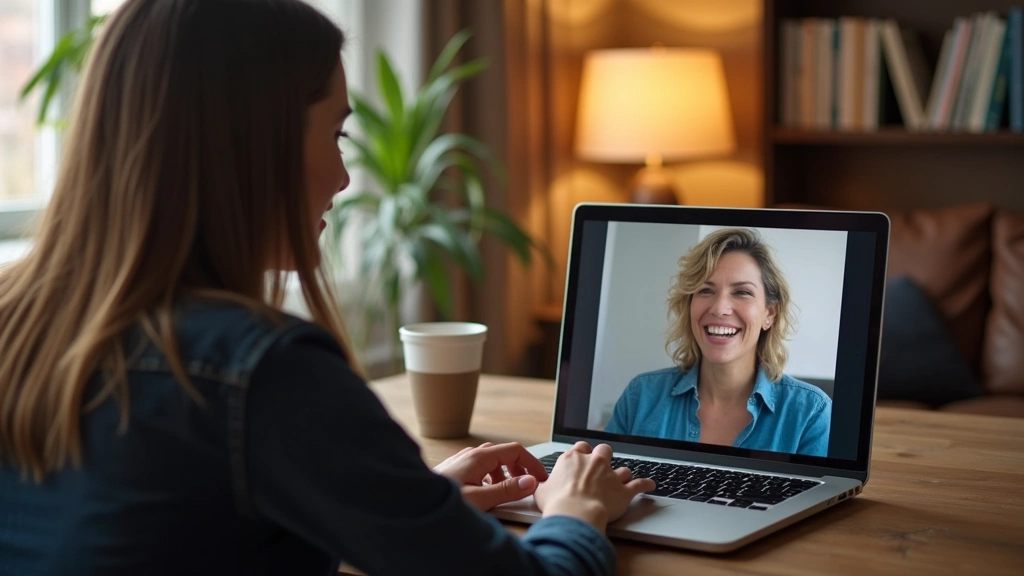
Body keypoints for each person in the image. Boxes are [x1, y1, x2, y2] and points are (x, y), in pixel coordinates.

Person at [0, 1, 655, 574]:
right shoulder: (265, 370)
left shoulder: (18, 320)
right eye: (336, 134)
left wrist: (406, 501)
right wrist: (575, 509)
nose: (344, 179)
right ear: (256, 145)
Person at [604, 228, 832, 457]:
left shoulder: (811, 413)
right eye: (705, 290)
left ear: (769, 314)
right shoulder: (641, 396)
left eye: (742, 292)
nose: (719, 308)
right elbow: (604, 483)